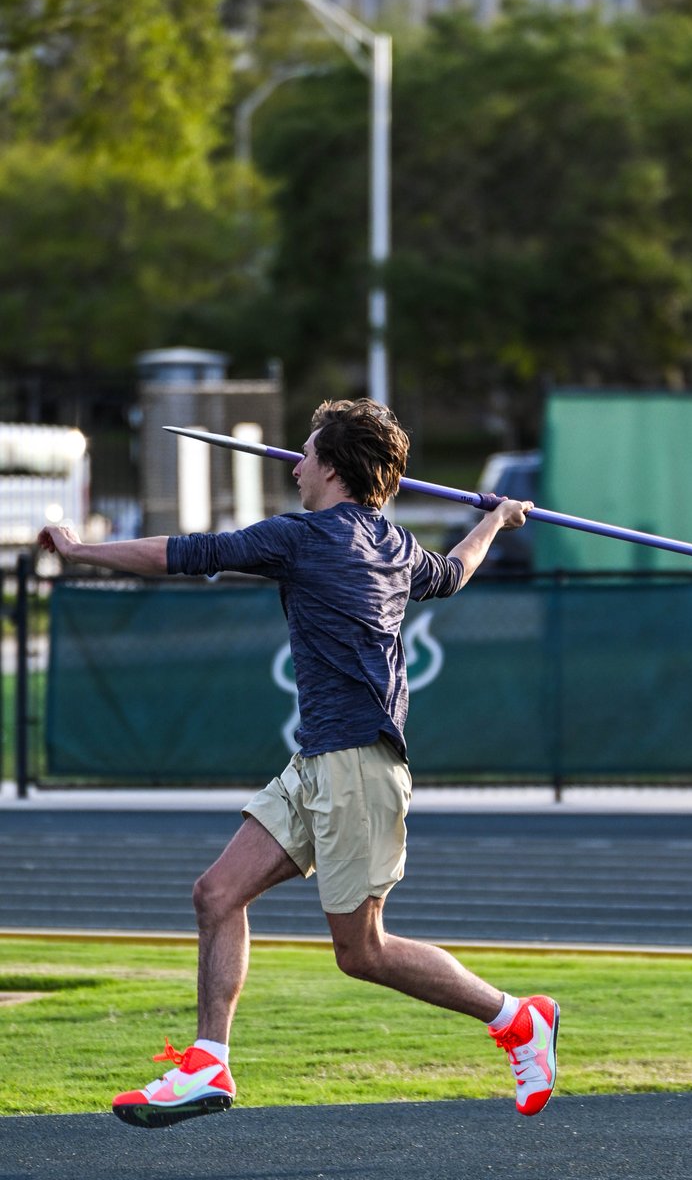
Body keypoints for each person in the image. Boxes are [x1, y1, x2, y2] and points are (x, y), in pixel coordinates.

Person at [37, 397, 559, 1129]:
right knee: (217, 894)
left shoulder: (305, 537)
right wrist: (495, 518)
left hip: (358, 768)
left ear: (334, 468)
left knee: (363, 951)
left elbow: (185, 555)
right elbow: (453, 573)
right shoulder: (394, 543)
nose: (294, 463)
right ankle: (208, 1063)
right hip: (318, 761)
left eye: (306, 452)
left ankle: (516, 1018)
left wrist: (80, 549)